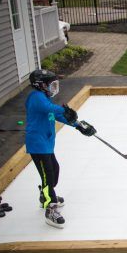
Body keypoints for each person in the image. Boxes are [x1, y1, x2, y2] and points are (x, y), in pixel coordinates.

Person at [25, 69, 96, 228]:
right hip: (38, 144)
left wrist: (79, 125)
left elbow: (57, 115)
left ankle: (45, 195)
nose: (54, 88)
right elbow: (52, 109)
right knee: (48, 176)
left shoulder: (44, 98)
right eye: (51, 85)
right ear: (41, 85)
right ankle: (50, 209)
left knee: (54, 171)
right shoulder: (36, 98)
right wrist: (65, 109)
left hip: (46, 144)